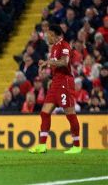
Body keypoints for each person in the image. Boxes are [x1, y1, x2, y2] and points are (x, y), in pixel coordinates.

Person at [29, 25, 81, 154]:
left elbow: (64, 62)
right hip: (55, 82)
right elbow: (55, 64)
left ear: (54, 34)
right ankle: (42, 145)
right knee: (45, 113)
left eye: (48, 35)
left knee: (70, 113)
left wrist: (48, 62)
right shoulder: (54, 48)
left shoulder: (64, 45)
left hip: (65, 82)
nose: (47, 38)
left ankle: (77, 145)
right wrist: (45, 66)